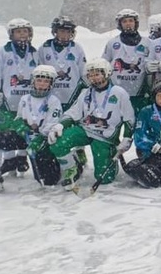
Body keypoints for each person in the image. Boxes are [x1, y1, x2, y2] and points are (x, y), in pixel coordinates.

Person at [47, 59, 135, 190]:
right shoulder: (86, 93)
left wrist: (127, 138)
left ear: (106, 73)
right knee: (58, 142)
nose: (94, 78)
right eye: (91, 75)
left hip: (105, 136)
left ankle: (109, 159)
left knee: (105, 179)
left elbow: (129, 118)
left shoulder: (119, 92)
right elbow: (73, 113)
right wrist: (60, 125)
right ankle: (71, 169)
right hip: (85, 130)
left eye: (97, 74)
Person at [0, 65, 63, 193]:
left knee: (49, 181)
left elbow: (52, 124)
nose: (42, 84)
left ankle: (70, 163)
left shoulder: (54, 101)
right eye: (39, 80)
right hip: (26, 137)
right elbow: (19, 117)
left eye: (46, 81)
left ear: (51, 84)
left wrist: (38, 139)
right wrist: (22, 128)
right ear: (33, 81)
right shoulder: (25, 99)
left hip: (42, 142)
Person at [0, 18, 41, 133]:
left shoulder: (34, 53)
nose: (22, 34)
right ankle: (6, 150)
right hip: (7, 99)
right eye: (18, 31)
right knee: (5, 130)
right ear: (11, 34)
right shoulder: (2, 51)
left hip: (28, 100)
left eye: (25, 31)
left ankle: (23, 150)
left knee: (25, 130)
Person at [103, 9, 151, 112]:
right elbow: (104, 65)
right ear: (120, 24)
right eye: (124, 21)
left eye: (131, 21)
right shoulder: (112, 43)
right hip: (117, 92)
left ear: (136, 23)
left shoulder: (147, 43)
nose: (128, 24)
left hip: (140, 93)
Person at [38, 16, 87, 109]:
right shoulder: (45, 48)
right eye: (62, 31)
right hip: (50, 94)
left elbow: (83, 72)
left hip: (72, 94)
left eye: (68, 32)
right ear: (55, 31)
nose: (65, 35)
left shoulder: (77, 48)